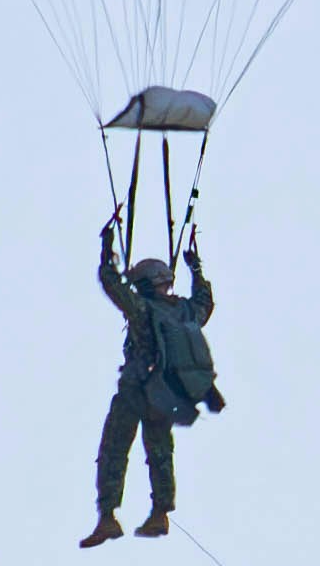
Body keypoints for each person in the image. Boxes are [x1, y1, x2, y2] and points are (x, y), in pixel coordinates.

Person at [85, 215, 225, 547]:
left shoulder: (143, 309)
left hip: (136, 390)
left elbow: (111, 284)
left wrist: (107, 249)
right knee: (160, 452)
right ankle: (160, 513)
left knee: (114, 451)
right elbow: (206, 302)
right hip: (165, 395)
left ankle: (107, 517)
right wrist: (197, 269)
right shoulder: (187, 311)